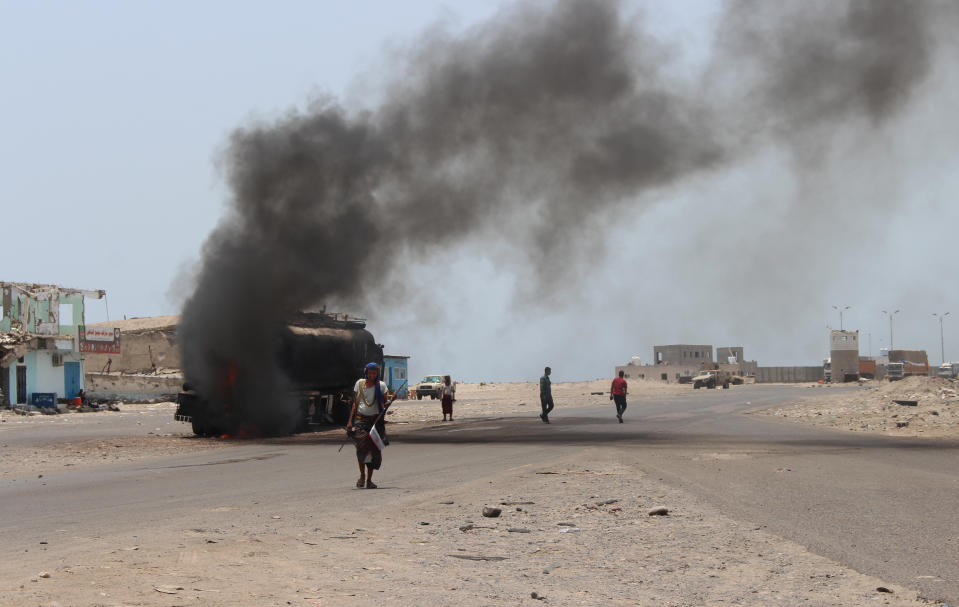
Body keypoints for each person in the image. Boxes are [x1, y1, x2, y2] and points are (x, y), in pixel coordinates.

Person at [348, 362, 394, 489]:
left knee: (372, 452)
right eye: (370, 373)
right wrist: (350, 421)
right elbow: (355, 404)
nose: (372, 375)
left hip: (375, 422)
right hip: (360, 421)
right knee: (361, 449)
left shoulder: (382, 386)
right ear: (366, 372)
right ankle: (362, 476)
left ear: (377, 373)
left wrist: (392, 400)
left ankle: (369, 480)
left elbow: (384, 404)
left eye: (374, 373)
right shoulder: (359, 384)